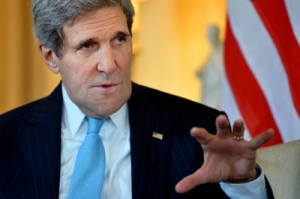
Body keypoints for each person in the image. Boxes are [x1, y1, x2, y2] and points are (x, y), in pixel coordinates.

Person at [0, 0, 275, 199]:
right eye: (88, 46)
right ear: (50, 57)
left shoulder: (198, 132)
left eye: (119, 40)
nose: (109, 64)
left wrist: (242, 185)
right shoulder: (7, 139)